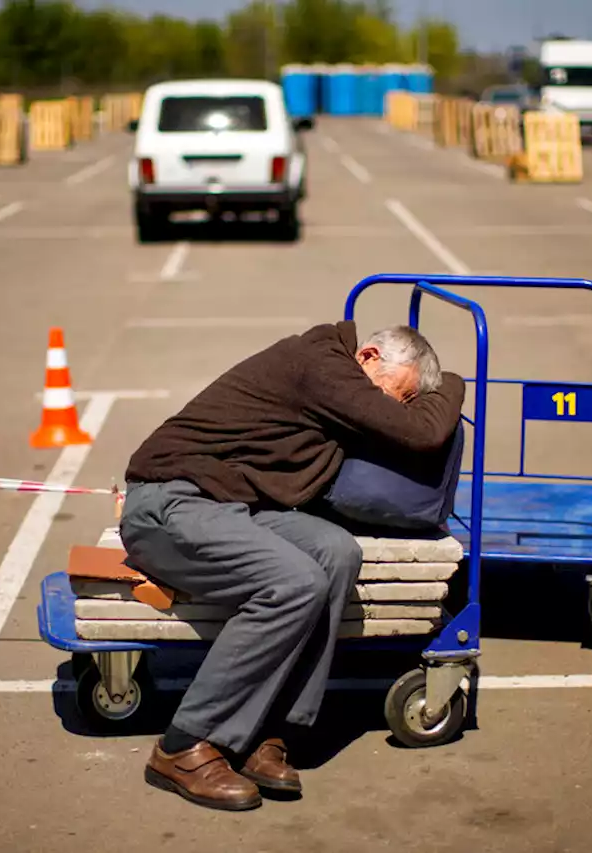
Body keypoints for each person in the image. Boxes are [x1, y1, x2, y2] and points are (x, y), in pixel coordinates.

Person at [119, 321, 465, 811]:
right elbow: (423, 432)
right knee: (293, 583)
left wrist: (418, 389)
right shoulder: (323, 366)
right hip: (170, 504)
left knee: (336, 551)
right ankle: (183, 745)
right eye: (396, 394)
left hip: (232, 505)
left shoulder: (341, 376)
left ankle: (268, 728)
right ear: (367, 357)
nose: (392, 410)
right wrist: (453, 382)